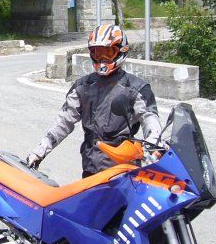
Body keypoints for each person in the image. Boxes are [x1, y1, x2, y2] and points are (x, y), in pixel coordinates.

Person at [25, 23, 162, 176]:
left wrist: (153, 146)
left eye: (107, 53)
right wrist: (39, 152)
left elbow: (150, 120)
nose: (102, 58)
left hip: (123, 171)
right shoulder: (82, 87)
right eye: (97, 53)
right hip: (91, 168)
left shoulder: (136, 88)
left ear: (121, 51)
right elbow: (63, 123)